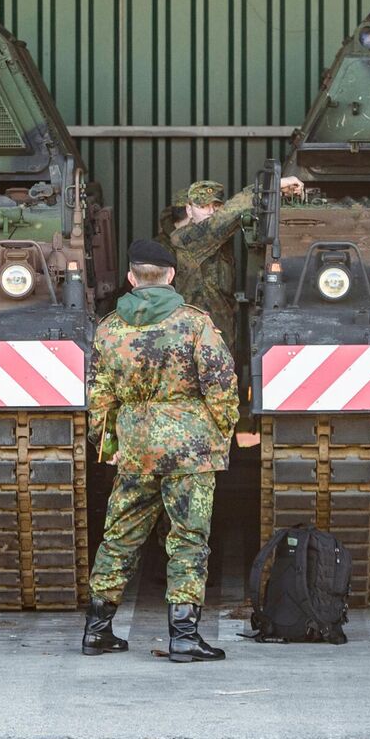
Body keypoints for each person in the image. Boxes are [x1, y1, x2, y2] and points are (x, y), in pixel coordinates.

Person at [81, 239, 239, 663]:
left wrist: (108, 443)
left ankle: (97, 631)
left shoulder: (110, 327)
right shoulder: (194, 323)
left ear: (132, 278)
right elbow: (222, 385)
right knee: (188, 538)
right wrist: (219, 433)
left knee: (120, 535)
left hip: (134, 446)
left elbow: (98, 395)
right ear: (171, 275)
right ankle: (184, 637)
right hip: (189, 448)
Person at [163, 175, 303, 353]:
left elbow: (230, 219)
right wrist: (271, 185)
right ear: (189, 211)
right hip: (194, 339)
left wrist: (280, 193)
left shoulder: (221, 238)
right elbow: (226, 217)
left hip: (222, 334)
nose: (210, 211)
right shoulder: (186, 239)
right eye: (202, 206)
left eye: (216, 206)